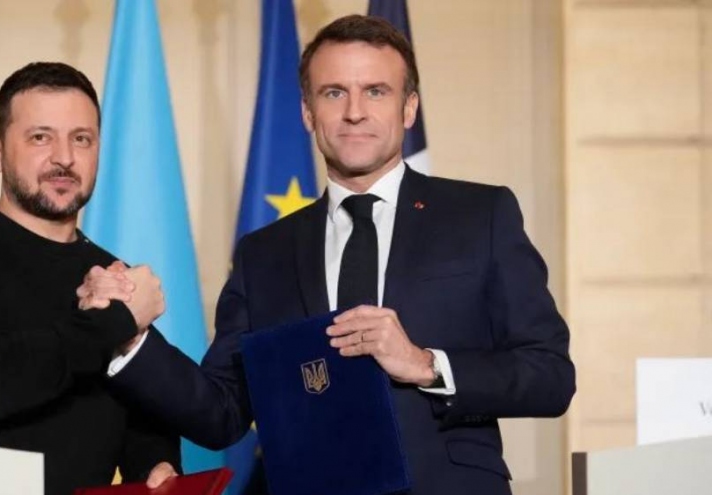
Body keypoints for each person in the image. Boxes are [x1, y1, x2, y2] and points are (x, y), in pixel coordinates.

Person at [104, 15, 576, 495]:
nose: (355, 112)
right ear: (308, 112)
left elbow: (551, 376)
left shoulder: (481, 215)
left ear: (409, 108)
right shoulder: (262, 253)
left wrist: (426, 364)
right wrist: (132, 336)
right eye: (334, 93)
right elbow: (221, 413)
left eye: (376, 91)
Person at [0, 62, 179, 495]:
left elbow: (141, 416)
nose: (64, 158)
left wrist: (156, 464)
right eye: (40, 137)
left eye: (81, 139)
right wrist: (115, 322)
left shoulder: (112, 274)